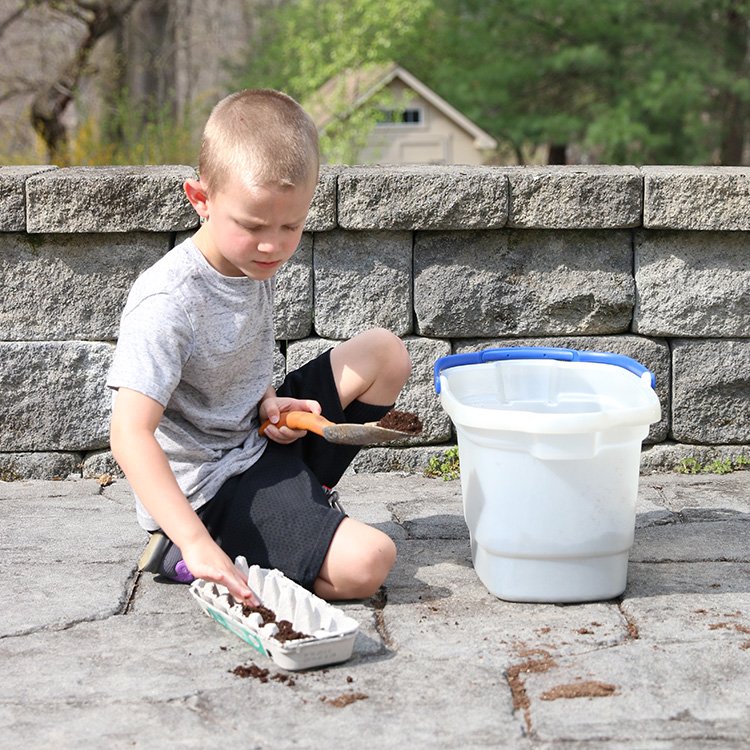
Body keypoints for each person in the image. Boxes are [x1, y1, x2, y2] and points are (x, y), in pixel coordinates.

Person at [107, 89, 411, 605]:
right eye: (252, 226)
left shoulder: (250, 261)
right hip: (209, 485)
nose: (273, 244)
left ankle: (303, 512)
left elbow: (229, 364)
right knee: (369, 562)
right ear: (201, 200)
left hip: (258, 438)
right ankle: (190, 547)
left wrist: (268, 399)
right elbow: (128, 432)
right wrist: (197, 542)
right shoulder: (168, 300)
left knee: (385, 353)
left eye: (291, 225)